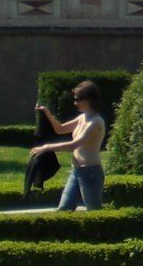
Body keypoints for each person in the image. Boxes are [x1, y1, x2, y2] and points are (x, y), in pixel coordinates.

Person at [32, 80, 108, 211]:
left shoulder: (95, 122)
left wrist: (45, 148)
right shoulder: (82, 118)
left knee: (93, 211)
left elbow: (74, 145)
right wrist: (48, 114)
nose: (75, 103)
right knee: (64, 210)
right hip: (77, 171)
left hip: (90, 173)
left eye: (78, 99)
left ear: (89, 99)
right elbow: (60, 129)